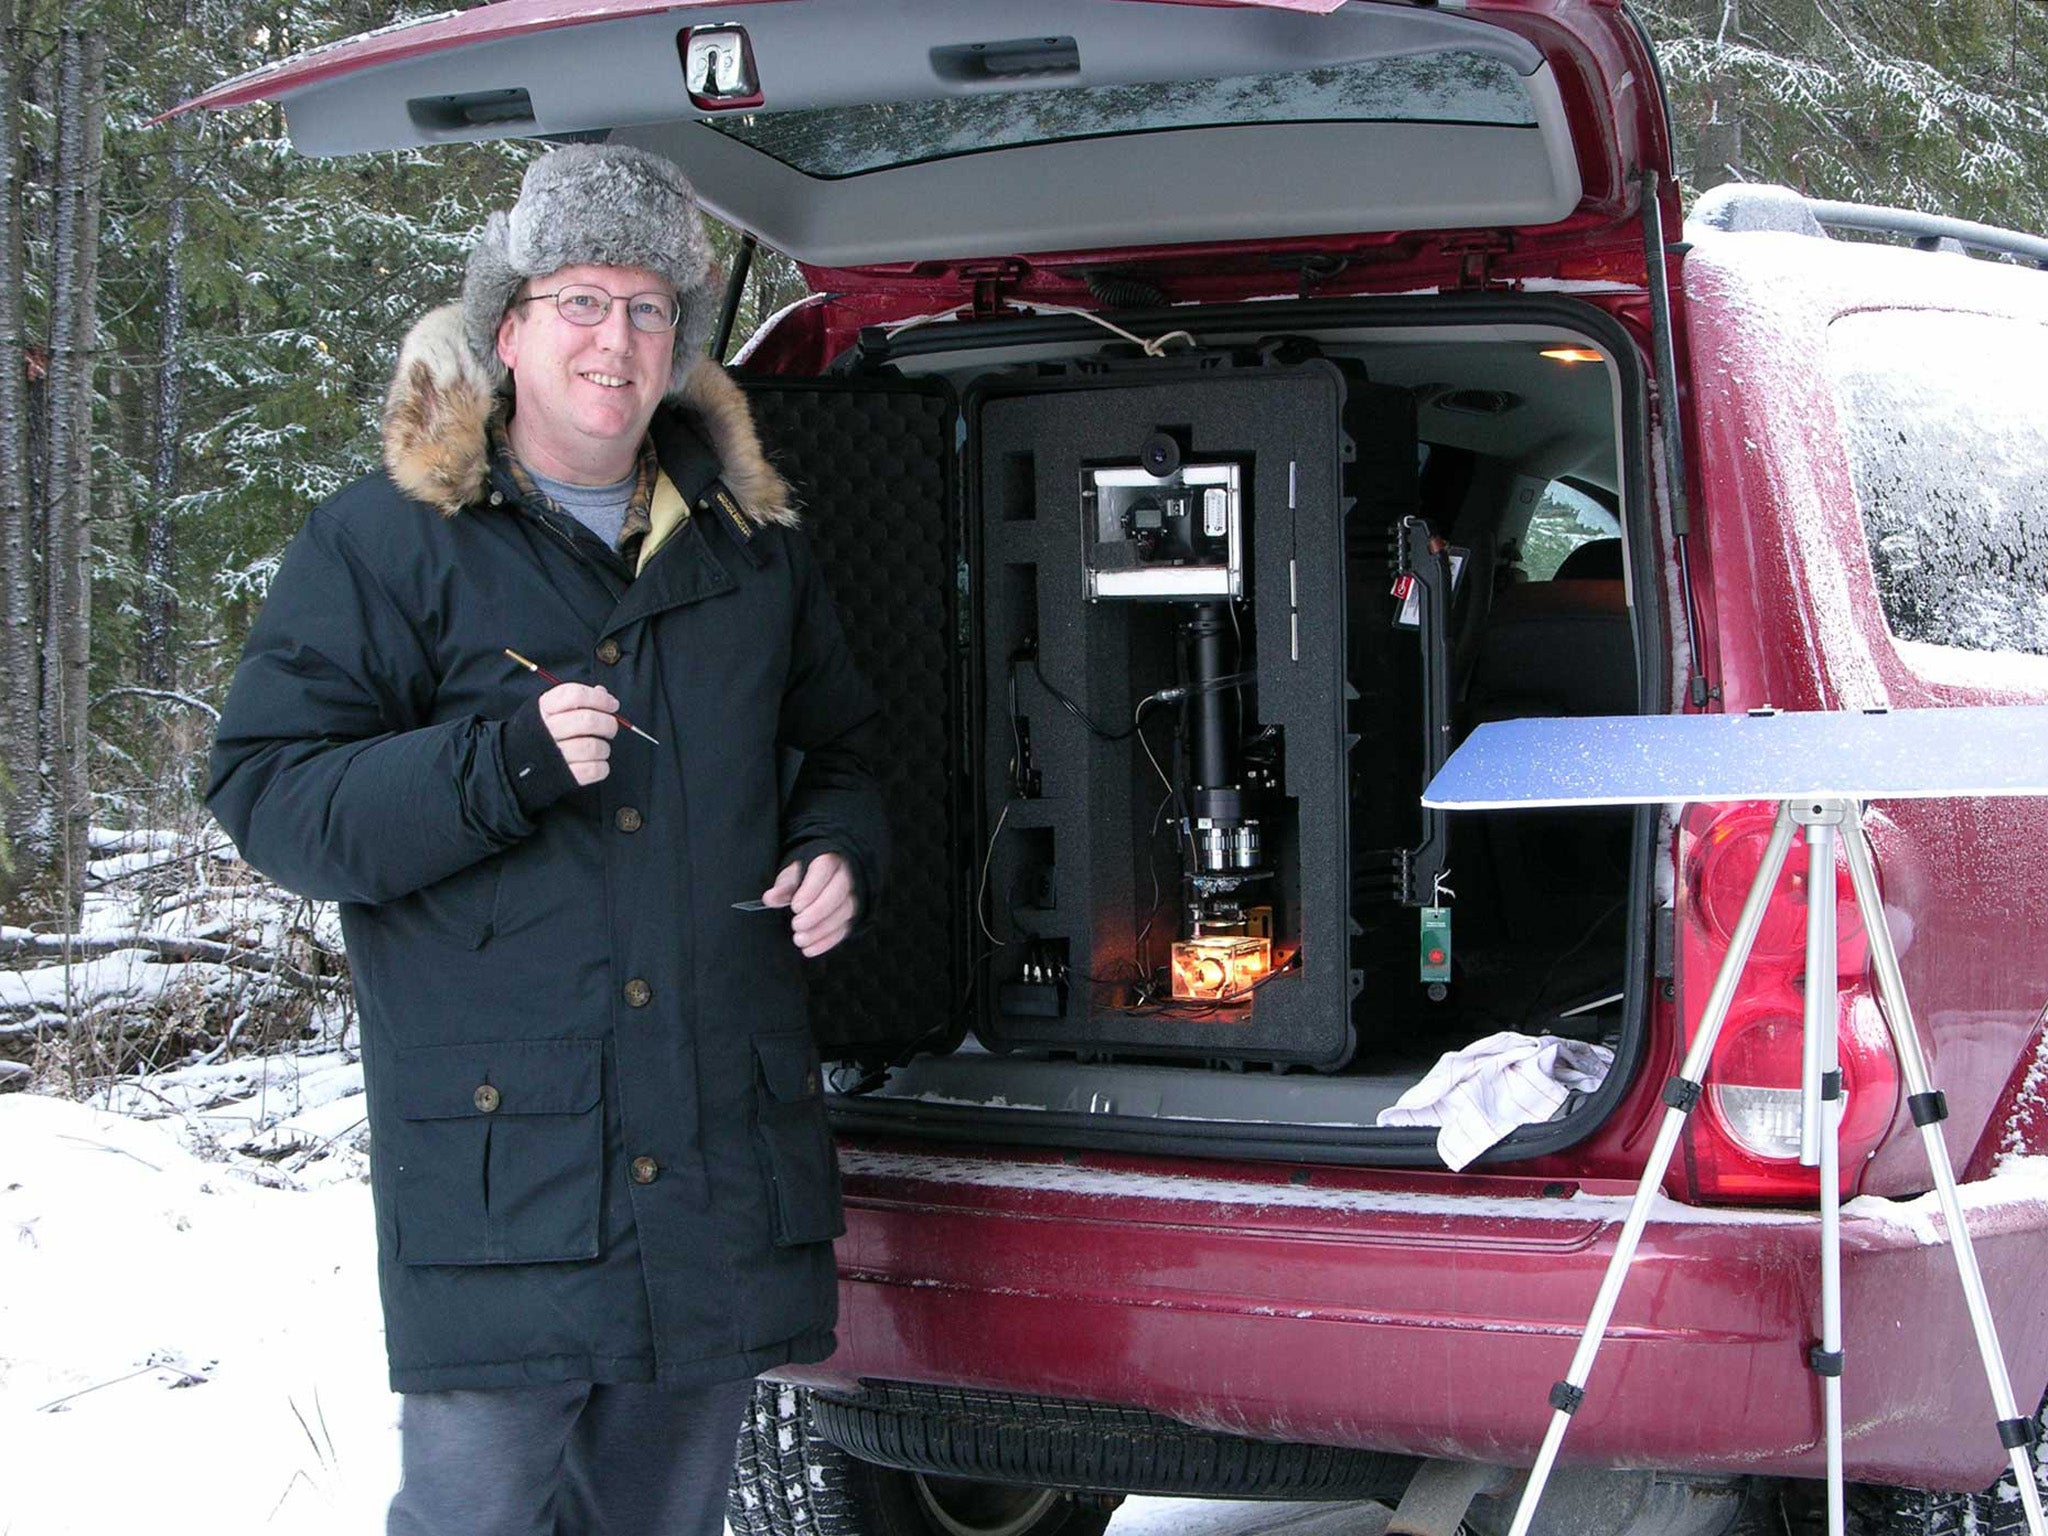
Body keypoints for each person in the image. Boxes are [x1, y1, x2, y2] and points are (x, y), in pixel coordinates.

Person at [206, 144, 887, 1536]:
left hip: (707, 1160)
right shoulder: (385, 545)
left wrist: (835, 849)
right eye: (580, 300)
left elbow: (845, 755)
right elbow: (269, 792)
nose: (614, 340)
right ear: (507, 327)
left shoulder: (752, 552)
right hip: (506, 1176)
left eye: (647, 310)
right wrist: (494, 764)